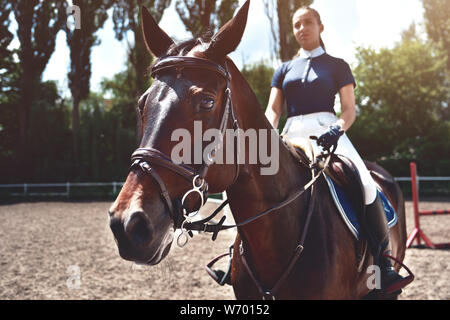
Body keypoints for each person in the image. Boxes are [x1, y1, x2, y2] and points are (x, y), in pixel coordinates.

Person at [265, 6, 410, 294]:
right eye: (296, 25)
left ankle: (382, 265)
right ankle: (236, 256)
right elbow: (272, 109)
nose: (301, 29)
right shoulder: (283, 69)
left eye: (307, 22)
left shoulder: (338, 65)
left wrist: (337, 130)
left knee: (367, 185)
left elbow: (349, 110)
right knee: (253, 181)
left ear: (320, 26)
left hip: (329, 131)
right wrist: (266, 133)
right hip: (290, 133)